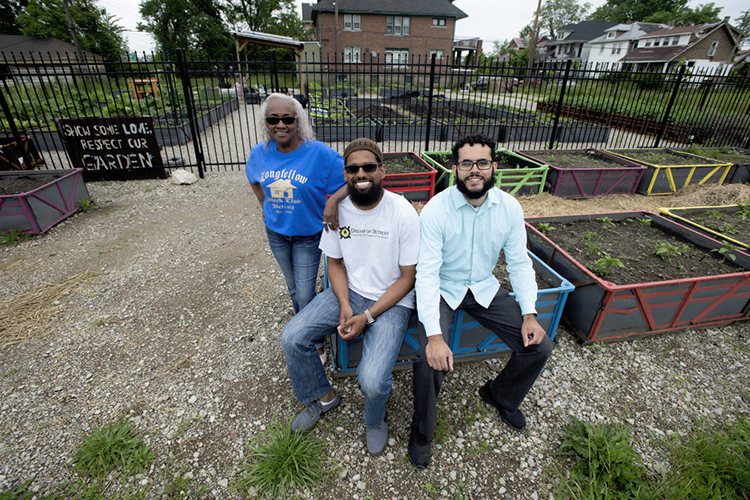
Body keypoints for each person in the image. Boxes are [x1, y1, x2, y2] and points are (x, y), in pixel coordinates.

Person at [408, 134, 553, 469]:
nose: (475, 170)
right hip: (444, 288)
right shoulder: (435, 210)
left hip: (484, 288)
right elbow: (427, 274)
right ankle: (421, 432)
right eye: (466, 163)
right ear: (454, 168)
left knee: (539, 346)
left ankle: (500, 395)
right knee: (428, 360)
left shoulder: (509, 208)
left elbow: (518, 263)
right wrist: (434, 337)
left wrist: (529, 314)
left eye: (482, 163)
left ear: (494, 167)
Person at [281, 138, 420, 456]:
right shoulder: (338, 212)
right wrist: (344, 305)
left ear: (382, 171)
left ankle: (374, 419)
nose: (361, 173)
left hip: (391, 302)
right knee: (292, 336)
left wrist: (367, 316)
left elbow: (407, 278)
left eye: (368, 167)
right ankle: (323, 396)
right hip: (351, 292)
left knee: (371, 379)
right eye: (353, 168)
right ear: (345, 174)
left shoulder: (402, 212)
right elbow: (334, 263)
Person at [246, 93, 348, 318]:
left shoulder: (319, 153)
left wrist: (333, 200)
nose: (280, 125)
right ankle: (304, 331)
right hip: (276, 233)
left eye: (287, 119)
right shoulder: (259, 154)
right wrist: (264, 203)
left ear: (297, 120)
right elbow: (253, 179)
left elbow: (351, 180)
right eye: (273, 119)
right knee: (293, 288)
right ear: (266, 123)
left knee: (304, 293)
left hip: (307, 236)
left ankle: (313, 339)